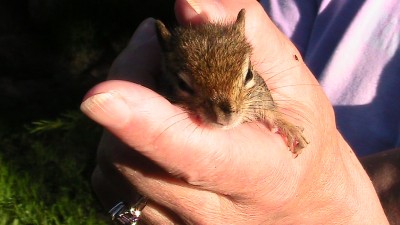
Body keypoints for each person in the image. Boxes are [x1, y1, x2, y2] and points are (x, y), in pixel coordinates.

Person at [81, 0, 399, 224]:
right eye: (186, 86)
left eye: (246, 77)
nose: (226, 113)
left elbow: (262, 96)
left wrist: (278, 120)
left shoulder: (249, 92)